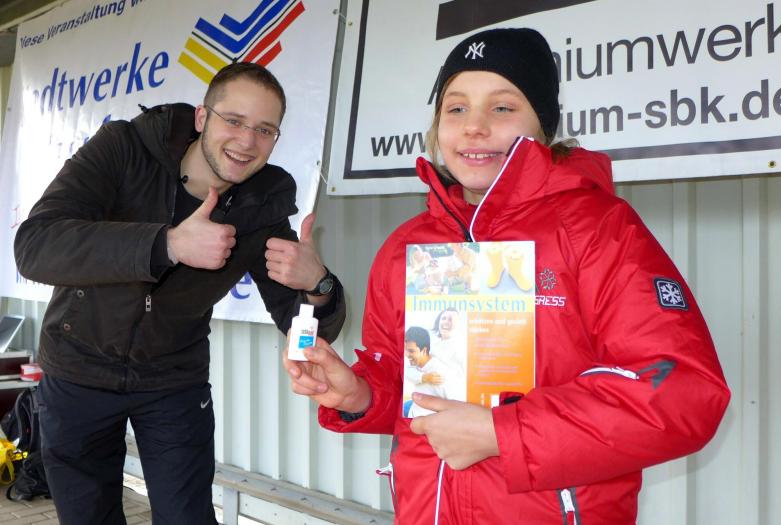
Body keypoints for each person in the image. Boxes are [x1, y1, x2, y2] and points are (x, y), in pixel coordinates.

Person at [282, 28, 729, 524]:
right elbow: (409, 385)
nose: (474, 127)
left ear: (543, 127)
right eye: (456, 108)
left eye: (502, 107)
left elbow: (683, 392)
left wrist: (503, 433)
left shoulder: (596, 230)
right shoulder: (405, 248)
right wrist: (359, 394)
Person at [14, 62, 345, 525]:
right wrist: (166, 244)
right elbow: (35, 246)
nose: (247, 141)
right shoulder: (123, 148)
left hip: (172, 380)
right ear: (202, 117)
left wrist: (318, 286)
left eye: (264, 130)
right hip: (77, 367)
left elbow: (300, 328)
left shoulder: (262, 203)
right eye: (234, 120)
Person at [403, 326, 449, 417]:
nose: (406, 355)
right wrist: (424, 377)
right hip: (413, 406)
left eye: (411, 351)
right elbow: (407, 372)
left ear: (424, 350)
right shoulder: (414, 365)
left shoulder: (439, 371)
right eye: (405, 349)